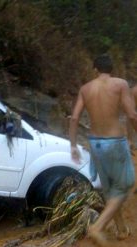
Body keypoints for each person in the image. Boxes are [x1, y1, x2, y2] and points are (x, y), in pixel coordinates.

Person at [69, 54, 136, 246]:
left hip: (95, 144)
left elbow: (74, 119)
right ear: (111, 69)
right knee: (124, 186)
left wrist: (73, 145)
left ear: (95, 69)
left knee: (110, 189)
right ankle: (97, 227)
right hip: (114, 142)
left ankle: (121, 229)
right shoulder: (120, 84)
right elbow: (131, 114)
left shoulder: (85, 89)